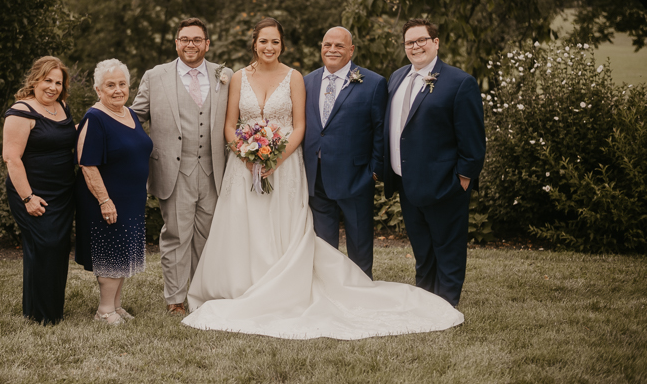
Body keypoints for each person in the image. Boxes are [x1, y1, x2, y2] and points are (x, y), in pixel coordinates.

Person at [183, 18, 463, 340]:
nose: (269, 47)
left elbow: (338, 129)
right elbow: (230, 126)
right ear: (254, 44)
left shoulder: (324, 79)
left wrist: (275, 158)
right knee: (248, 227)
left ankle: (358, 291)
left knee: (323, 236)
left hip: (302, 168)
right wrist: (247, 154)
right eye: (263, 41)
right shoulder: (268, 79)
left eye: (275, 42)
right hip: (263, 170)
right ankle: (247, 287)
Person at [130, 18, 233, 316]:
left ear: (207, 44)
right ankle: (175, 299)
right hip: (173, 172)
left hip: (214, 170)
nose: (191, 44)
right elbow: (135, 116)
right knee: (176, 235)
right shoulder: (155, 76)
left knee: (209, 236)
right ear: (176, 43)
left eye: (197, 39)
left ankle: (203, 295)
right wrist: (100, 123)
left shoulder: (224, 75)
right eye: (185, 39)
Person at [383, 18, 486, 307]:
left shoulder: (459, 82)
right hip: (406, 182)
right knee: (423, 249)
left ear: (435, 42)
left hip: (445, 184)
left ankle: (446, 304)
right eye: (409, 42)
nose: (415, 47)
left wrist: (463, 177)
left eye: (421, 40)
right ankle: (425, 299)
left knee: (448, 248)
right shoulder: (397, 77)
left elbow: (473, 138)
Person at [302, 26, 386, 278]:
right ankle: (329, 287)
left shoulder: (373, 82)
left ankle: (361, 287)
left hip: (356, 176)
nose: (332, 50)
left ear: (351, 50)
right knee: (324, 243)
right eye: (327, 45)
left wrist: (374, 170)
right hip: (316, 176)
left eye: (339, 46)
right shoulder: (307, 81)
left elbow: (380, 129)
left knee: (359, 241)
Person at [75, 58, 153, 325]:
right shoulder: (95, 118)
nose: (118, 89)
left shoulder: (129, 113)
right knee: (110, 253)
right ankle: (104, 310)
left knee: (121, 253)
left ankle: (117, 307)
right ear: (98, 89)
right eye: (111, 85)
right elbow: (87, 164)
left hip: (131, 199)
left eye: (122, 84)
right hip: (108, 199)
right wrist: (105, 200)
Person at [2, 56, 75, 325]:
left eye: (58, 82)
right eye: (48, 80)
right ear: (35, 79)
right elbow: (11, 158)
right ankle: (42, 314)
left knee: (57, 247)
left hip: (63, 192)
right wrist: (28, 198)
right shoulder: (21, 111)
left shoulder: (62, 107)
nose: (53, 87)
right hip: (32, 192)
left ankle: (45, 310)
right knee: (45, 245)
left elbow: (65, 137)